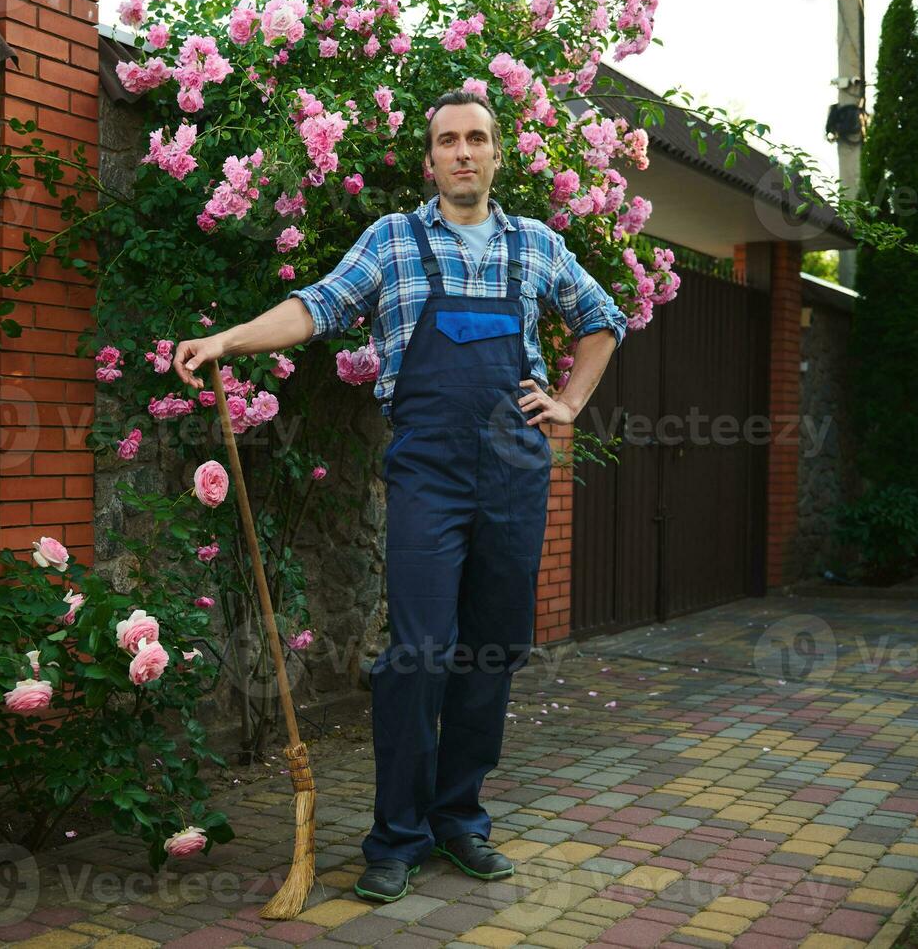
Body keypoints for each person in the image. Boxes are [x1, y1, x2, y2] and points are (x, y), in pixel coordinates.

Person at [172, 90, 628, 903]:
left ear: (496, 155)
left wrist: (570, 401)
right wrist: (228, 339)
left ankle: (459, 822)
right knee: (417, 654)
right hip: (428, 473)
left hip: (514, 473)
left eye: (476, 139)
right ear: (429, 161)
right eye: (447, 140)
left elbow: (601, 319)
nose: (462, 152)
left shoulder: (536, 246)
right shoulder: (391, 240)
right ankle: (396, 835)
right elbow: (314, 307)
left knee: (492, 651)